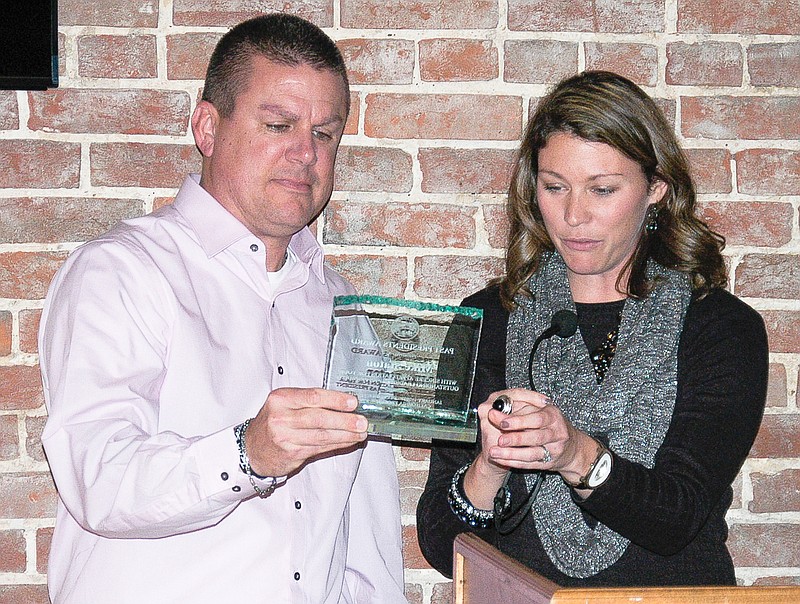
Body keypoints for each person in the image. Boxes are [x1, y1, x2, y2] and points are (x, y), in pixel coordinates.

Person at [39, 13, 407, 603]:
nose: (304, 154)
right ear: (207, 128)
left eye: (324, 133)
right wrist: (246, 454)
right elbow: (97, 477)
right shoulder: (122, 271)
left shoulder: (344, 307)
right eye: (278, 125)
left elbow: (366, 532)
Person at [416, 70, 768, 587]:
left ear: (657, 190)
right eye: (554, 186)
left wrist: (574, 453)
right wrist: (489, 467)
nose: (573, 215)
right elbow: (443, 548)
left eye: (602, 190)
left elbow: (678, 518)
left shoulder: (719, 327)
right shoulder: (489, 318)